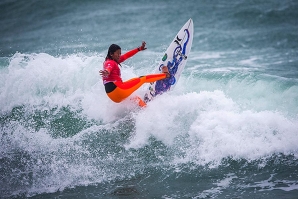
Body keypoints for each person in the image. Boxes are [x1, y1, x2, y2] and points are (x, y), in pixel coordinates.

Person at [99, 41, 170, 107]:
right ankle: (165, 75)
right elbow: (109, 67)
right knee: (143, 78)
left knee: (135, 97)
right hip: (118, 90)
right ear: (111, 54)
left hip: (113, 96)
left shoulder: (112, 60)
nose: (119, 55)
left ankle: (144, 109)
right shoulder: (110, 63)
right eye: (117, 53)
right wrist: (107, 71)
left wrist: (139, 49)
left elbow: (126, 56)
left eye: (120, 53)